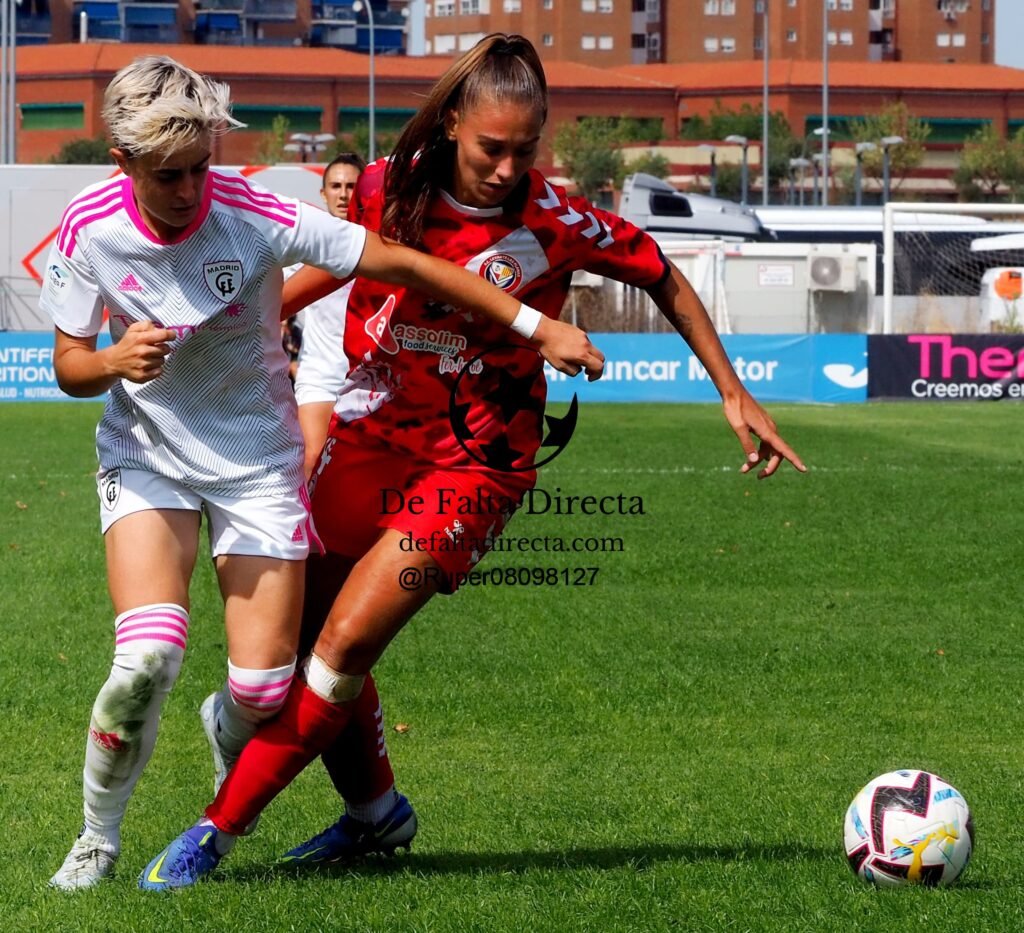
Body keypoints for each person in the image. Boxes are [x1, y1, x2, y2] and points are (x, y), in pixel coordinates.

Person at [139, 34, 805, 890]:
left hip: (474, 470)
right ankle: (377, 814)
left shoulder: (557, 223)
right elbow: (333, 263)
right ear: (453, 121)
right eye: (492, 147)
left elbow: (660, 272)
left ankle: (214, 835)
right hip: (371, 440)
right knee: (306, 635)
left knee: (341, 646)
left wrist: (731, 387)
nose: (506, 167)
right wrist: (236, 321)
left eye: (525, 150)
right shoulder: (391, 188)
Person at [42, 52, 599, 892]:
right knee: (145, 659)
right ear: (124, 165)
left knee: (265, 689)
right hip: (147, 455)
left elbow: (404, 263)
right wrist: (116, 357)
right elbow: (68, 365)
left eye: (201, 168)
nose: (191, 190)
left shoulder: (253, 212)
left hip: (257, 467)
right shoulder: (89, 226)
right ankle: (95, 840)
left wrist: (532, 323)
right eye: (168, 176)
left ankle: (242, 731)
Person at [293, 152, 366, 478]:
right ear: (323, 194)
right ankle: (302, 531)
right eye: (335, 186)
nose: (343, 193)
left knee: (360, 474)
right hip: (320, 376)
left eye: (352, 185)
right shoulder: (306, 244)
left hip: (370, 378)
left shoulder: (385, 247)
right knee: (311, 460)